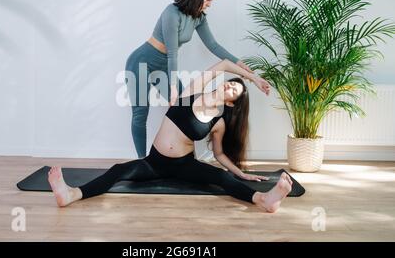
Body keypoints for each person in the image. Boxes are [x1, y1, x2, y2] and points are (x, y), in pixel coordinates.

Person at [48, 59, 293, 213]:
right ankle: (71, 194)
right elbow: (225, 64)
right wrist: (254, 79)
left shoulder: (218, 123)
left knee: (220, 178)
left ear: (231, 103)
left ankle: (263, 199)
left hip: (184, 166)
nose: (229, 87)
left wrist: (239, 172)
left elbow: (218, 153)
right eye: (230, 84)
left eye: (235, 91)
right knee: (117, 171)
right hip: (154, 163)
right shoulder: (193, 91)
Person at [125, 0, 254, 158]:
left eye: (212, 1)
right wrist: (173, 87)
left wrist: (239, 64)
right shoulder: (172, 12)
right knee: (140, 114)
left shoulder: (199, 17)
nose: (209, 4)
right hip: (141, 63)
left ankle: (185, 158)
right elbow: (172, 52)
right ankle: (141, 161)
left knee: (185, 107)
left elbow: (214, 45)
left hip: (165, 65)